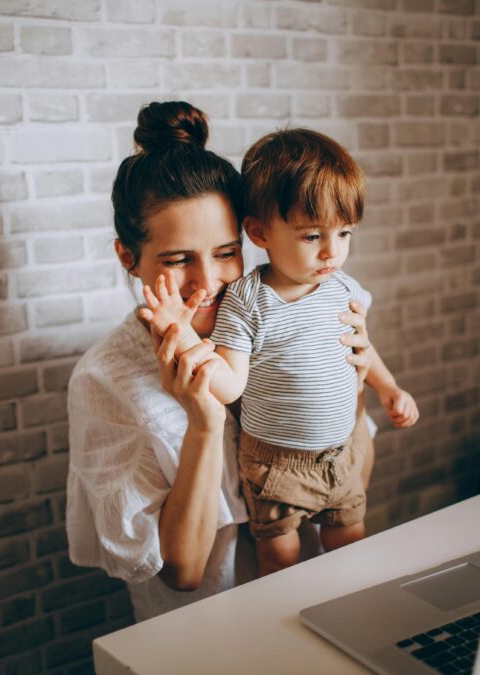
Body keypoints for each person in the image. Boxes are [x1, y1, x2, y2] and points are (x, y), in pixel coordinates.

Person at [65, 102, 374, 621]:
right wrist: (204, 425)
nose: (208, 282)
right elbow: (182, 573)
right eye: (179, 259)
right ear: (128, 257)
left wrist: (353, 381)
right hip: (209, 641)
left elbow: (354, 479)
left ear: (255, 238)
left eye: (226, 252)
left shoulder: (278, 317)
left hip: (322, 613)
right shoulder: (105, 380)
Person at [139, 128, 419, 576]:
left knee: (352, 547)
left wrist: (388, 388)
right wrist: (185, 337)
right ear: (259, 233)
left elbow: (362, 351)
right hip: (277, 465)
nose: (333, 252)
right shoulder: (248, 301)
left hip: (340, 453)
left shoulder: (342, 288)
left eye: (344, 233)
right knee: (282, 561)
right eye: (312, 237)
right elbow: (231, 386)